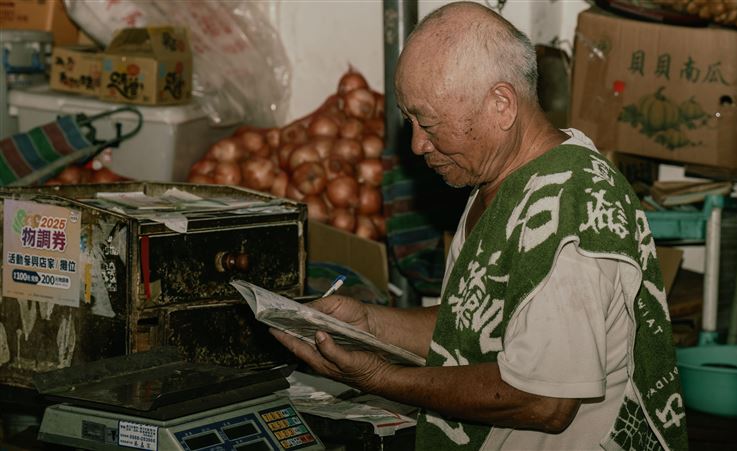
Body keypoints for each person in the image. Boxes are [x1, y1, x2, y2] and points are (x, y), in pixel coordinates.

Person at [270, 2, 688, 450]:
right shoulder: (498, 180)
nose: (417, 144)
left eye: (429, 123)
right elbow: (473, 324)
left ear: (502, 105)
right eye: (409, 121)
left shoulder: (570, 204)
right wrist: (368, 322)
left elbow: (544, 399)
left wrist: (380, 377)